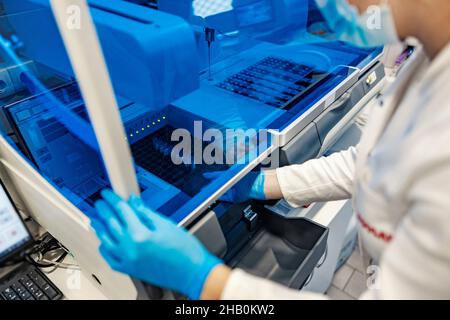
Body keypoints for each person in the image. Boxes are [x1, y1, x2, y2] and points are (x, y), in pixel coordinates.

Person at [88, 0, 450, 299]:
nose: (323, 6)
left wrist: (205, 281)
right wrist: (263, 184)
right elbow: (372, 165)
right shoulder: (428, 56)